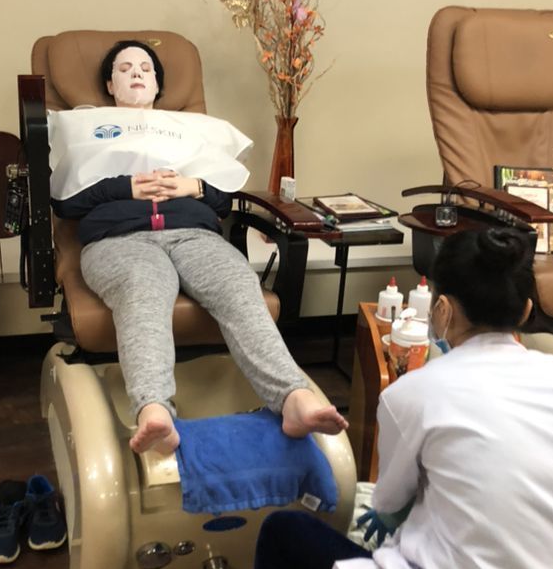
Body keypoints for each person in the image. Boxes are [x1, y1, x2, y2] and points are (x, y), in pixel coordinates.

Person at [195, 227, 553, 569]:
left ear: (441, 310)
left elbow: (391, 503)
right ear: (527, 311)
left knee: (287, 536)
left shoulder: (414, 393)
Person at [51, 40, 348, 455]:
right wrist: (125, 186)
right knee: (143, 286)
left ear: (158, 85)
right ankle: (154, 411)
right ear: (109, 83)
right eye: (124, 68)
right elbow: (64, 202)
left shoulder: (187, 132)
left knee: (237, 283)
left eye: (146, 68)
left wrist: (196, 186)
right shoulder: (89, 129)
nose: (136, 73)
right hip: (119, 240)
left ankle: (294, 399)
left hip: (194, 234)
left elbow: (223, 200)